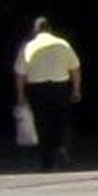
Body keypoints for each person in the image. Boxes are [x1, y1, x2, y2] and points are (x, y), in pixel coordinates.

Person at [15, 17, 82, 172]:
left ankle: (47, 162)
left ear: (35, 30)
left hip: (38, 88)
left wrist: (20, 96)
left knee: (43, 124)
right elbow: (75, 69)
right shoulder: (63, 44)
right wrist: (76, 89)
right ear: (49, 28)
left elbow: (20, 74)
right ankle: (62, 146)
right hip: (60, 86)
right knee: (62, 120)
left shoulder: (28, 46)